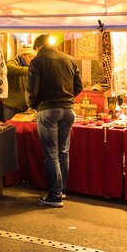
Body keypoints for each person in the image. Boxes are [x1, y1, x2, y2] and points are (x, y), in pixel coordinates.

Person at [27, 34, 82, 208]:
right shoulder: (70, 59)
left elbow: (31, 89)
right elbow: (79, 86)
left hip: (48, 110)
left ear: (38, 47)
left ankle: (55, 195)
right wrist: (67, 99)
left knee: (51, 153)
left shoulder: (38, 61)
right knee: (63, 151)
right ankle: (61, 189)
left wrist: (33, 105)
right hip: (68, 110)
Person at [2, 46, 36, 121]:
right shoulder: (13, 62)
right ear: (23, 55)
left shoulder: (28, 66)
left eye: (33, 57)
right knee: (9, 129)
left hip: (23, 107)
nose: (32, 59)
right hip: (11, 106)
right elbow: (9, 68)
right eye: (30, 56)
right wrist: (30, 70)